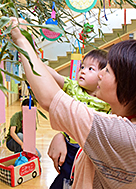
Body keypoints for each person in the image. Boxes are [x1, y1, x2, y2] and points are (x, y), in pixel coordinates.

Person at [9, 17, 136, 188]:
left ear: (128, 87)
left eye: (108, 70)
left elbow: (50, 98)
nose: (101, 74)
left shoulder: (121, 135)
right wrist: (61, 135)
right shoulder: (129, 124)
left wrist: (20, 39)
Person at [46, 49, 110, 189]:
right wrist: (37, 62)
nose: (83, 71)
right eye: (82, 67)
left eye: (90, 69)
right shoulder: (74, 88)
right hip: (70, 146)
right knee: (64, 178)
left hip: (89, 151)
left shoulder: (106, 100)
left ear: (102, 75)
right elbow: (55, 76)